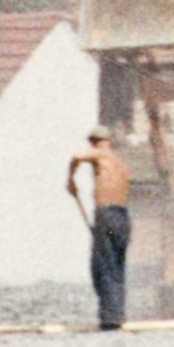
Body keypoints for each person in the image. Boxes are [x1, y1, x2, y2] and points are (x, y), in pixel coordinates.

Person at [67, 127, 133, 330]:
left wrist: (70, 179)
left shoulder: (100, 154)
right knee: (117, 266)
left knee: (102, 265)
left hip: (106, 215)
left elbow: (77, 156)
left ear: (95, 142)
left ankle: (110, 319)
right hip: (123, 217)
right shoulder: (121, 163)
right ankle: (117, 314)